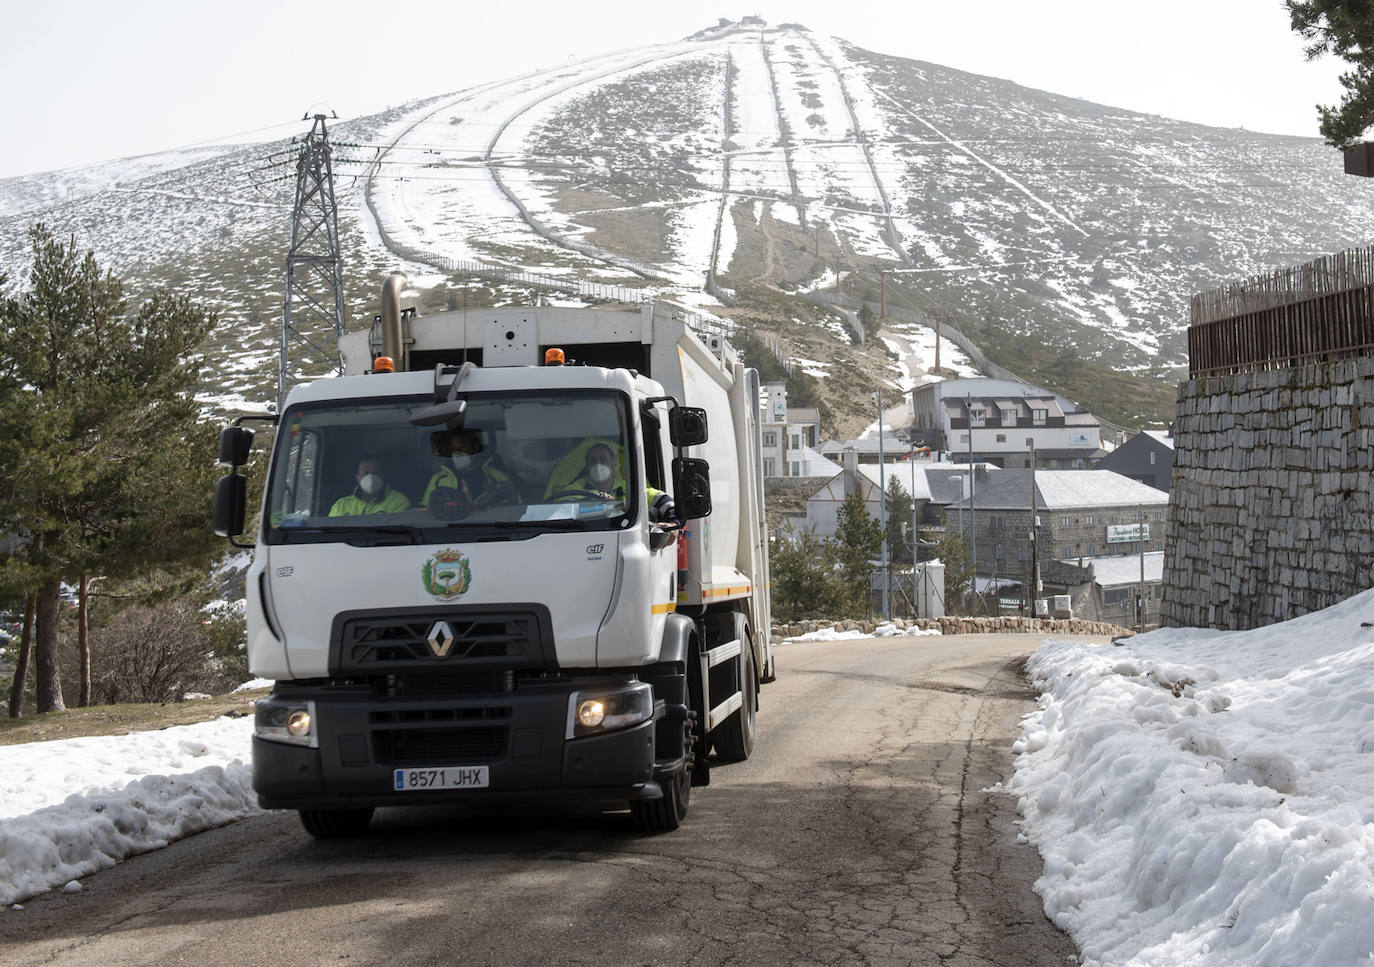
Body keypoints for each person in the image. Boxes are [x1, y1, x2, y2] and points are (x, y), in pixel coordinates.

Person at [545, 439, 677, 524]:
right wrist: (596, 504)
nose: (598, 464)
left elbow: (661, 499)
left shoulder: (630, 488)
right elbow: (560, 508)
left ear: (613, 464)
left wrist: (673, 523)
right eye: (593, 460)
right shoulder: (574, 489)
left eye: (603, 459)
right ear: (587, 465)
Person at [423, 428, 518, 509]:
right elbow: (426, 509)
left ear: (475, 448)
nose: (457, 452)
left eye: (462, 446)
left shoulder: (497, 476)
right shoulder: (438, 479)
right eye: (453, 448)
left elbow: (516, 507)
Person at [329, 458, 410, 516]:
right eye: (365, 473)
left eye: (375, 473)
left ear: (383, 476)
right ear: (357, 478)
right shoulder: (341, 505)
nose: (370, 477)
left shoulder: (398, 502)